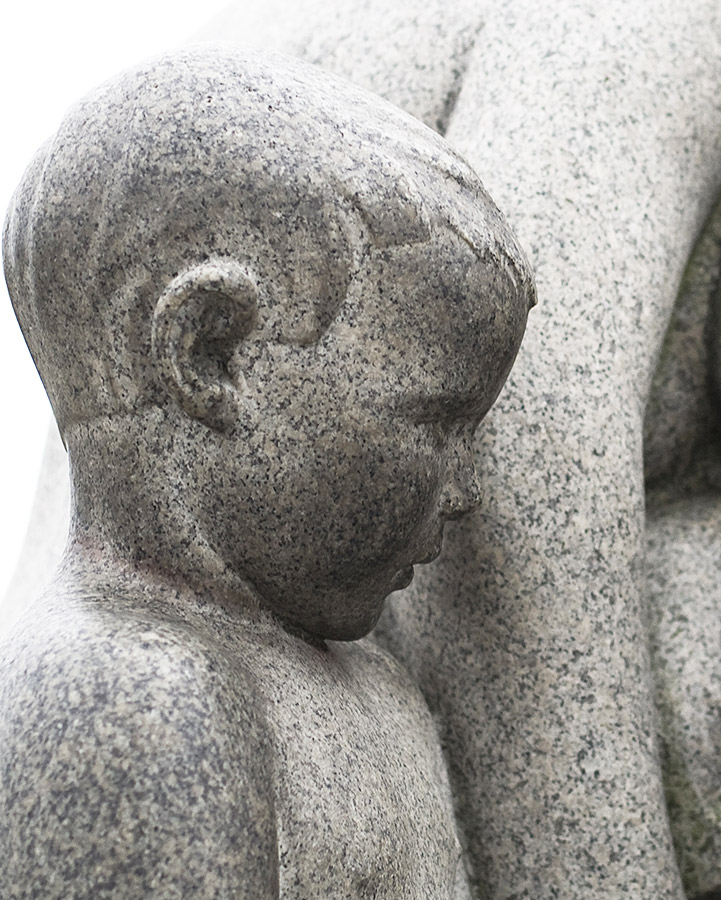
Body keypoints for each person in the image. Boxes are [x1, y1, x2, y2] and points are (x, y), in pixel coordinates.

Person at [0, 46, 533, 898]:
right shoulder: (132, 696)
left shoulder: (371, 689)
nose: (466, 493)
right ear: (212, 353)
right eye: (435, 421)